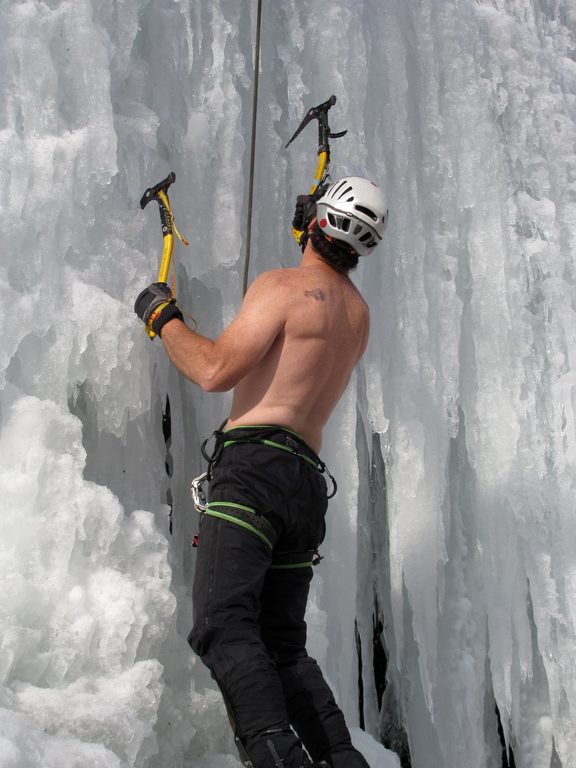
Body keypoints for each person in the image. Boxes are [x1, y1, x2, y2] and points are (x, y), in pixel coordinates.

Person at [135, 177, 389, 768]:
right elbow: (315, 313)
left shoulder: (283, 286)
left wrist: (163, 317)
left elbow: (216, 369)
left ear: (317, 221)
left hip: (253, 471)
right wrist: (315, 230)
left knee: (224, 626)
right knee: (281, 646)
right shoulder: (358, 315)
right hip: (304, 486)